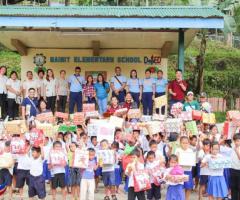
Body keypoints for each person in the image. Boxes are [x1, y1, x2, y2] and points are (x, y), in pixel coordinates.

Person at [230, 133, 240, 200]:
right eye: (236, 140)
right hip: (233, 169)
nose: (237, 142)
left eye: (238, 141)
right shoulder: (233, 145)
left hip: (239, 170)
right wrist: (235, 126)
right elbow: (231, 135)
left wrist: (237, 151)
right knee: (233, 187)